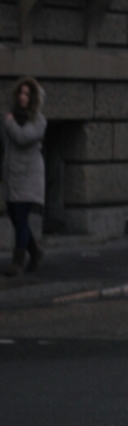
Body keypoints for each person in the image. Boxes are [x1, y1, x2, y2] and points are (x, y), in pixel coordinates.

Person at [2, 77, 47, 277]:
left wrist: (9, 123)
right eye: (20, 93)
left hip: (29, 178)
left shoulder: (39, 121)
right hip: (12, 177)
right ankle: (36, 252)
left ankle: (18, 263)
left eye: (27, 94)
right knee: (15, 217)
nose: (22, 97)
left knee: (20, 218)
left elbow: (21, 137)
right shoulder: (11, 117)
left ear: (33, 98)